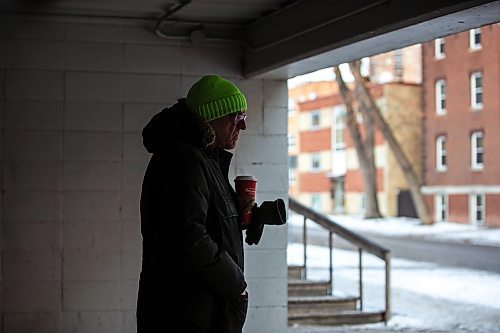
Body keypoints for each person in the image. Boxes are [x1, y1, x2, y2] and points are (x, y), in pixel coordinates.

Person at [137, 75, 264, 333]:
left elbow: (201, 220)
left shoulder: (204, 159)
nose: (243, 127)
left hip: (196, 308)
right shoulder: (183, 159)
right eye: (237, 119)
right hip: (184, 312)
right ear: (212, 118)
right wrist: (236, 283)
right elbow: (187, 239)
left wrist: (247, 216)